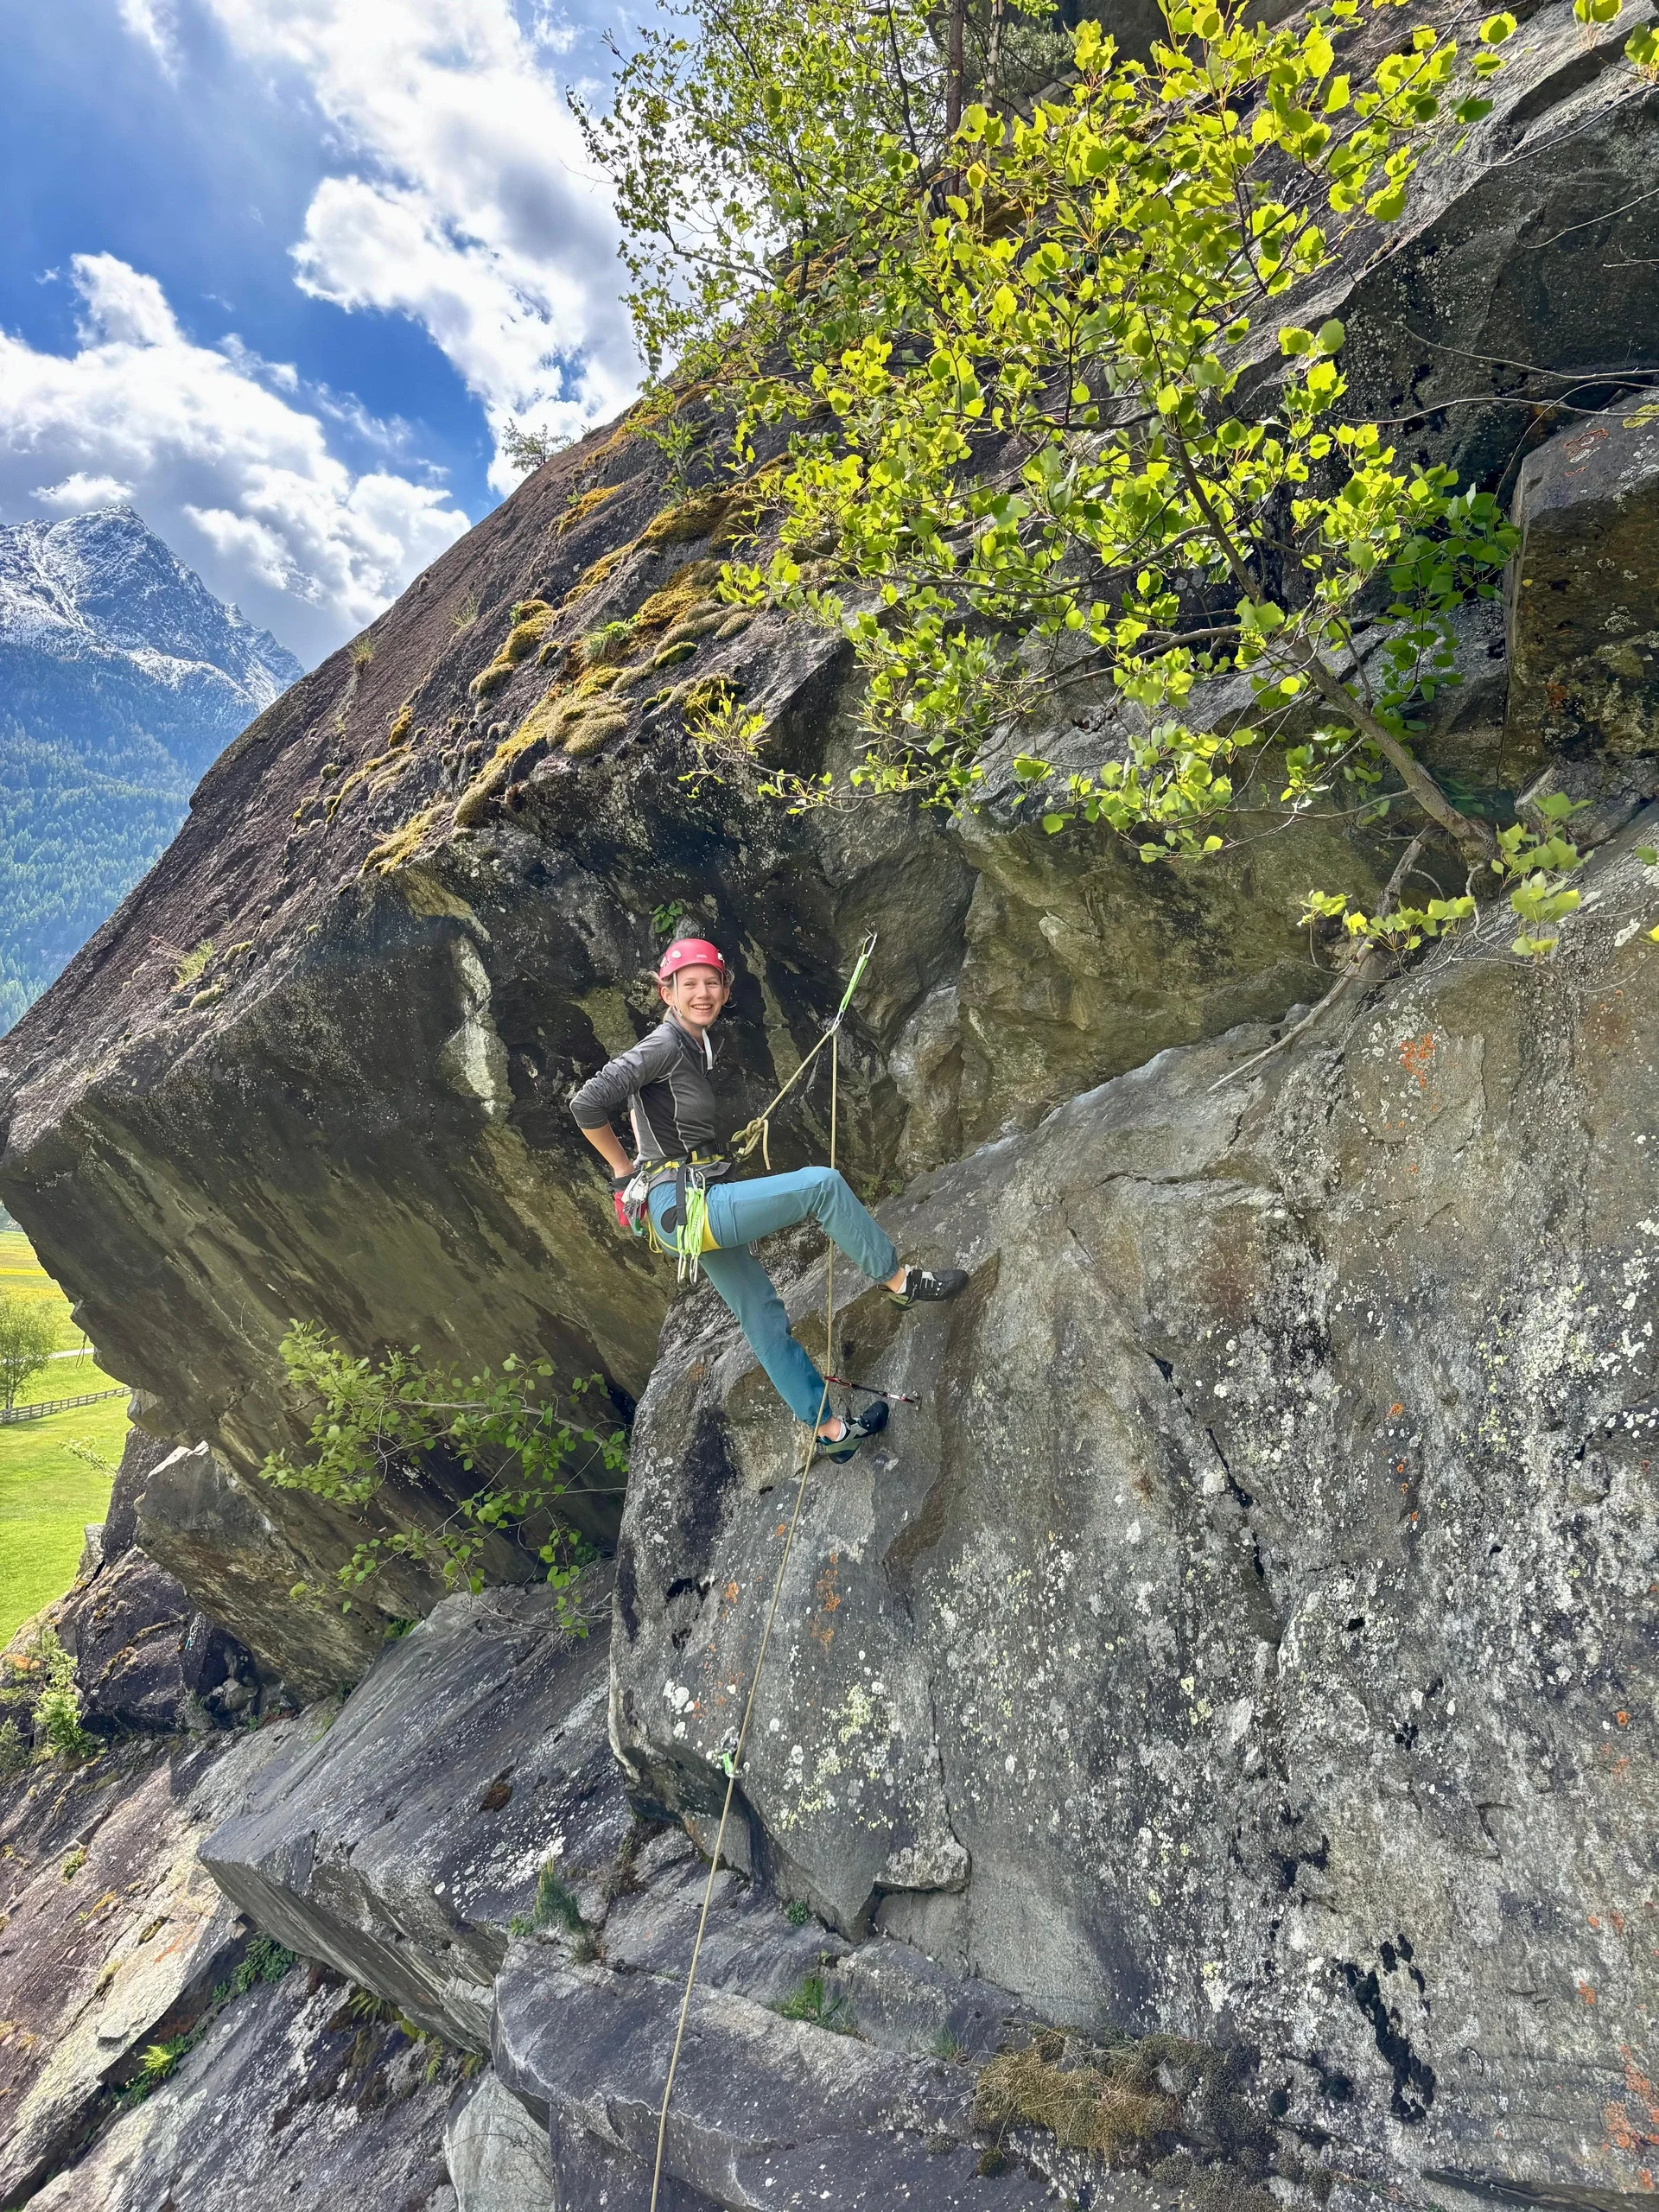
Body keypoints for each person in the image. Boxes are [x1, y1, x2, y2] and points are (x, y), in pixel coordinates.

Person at [571, 936, 967, 1459]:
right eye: (689, 984)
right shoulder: (664, 1045)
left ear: (726, 988)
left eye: (712, 982)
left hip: (688, 1207)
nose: (703, 993)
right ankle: (900, 1283)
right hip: (684, 1208)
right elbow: (587, 1102)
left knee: (761, 1314)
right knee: (822, 1186)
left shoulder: (694, 1046)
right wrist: (624, 1174)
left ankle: (831, 1434)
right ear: (666, 992)